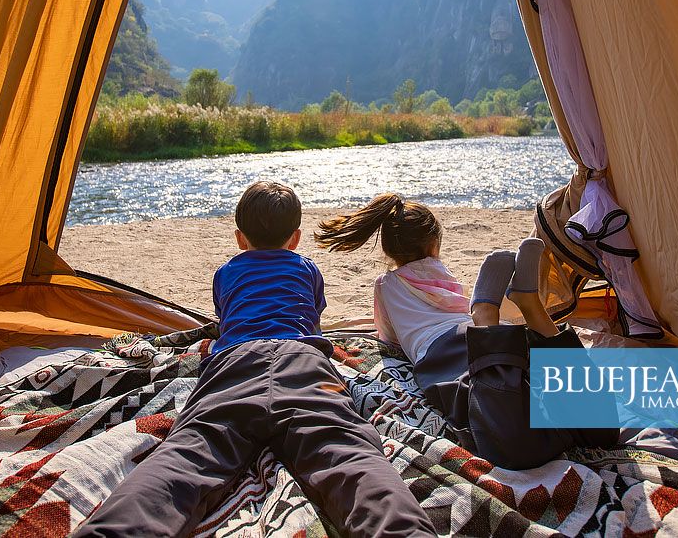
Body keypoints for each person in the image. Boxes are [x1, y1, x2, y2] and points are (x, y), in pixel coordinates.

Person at [75, 181, 436, 538]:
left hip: (235, 364)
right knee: (347, 452)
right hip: (302, 361)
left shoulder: (226, 272)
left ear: (239, 238)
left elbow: (226, 319)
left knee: (189, 452)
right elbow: (313, 323)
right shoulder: (308, 269)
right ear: (295, 238)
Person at [315, 193, 618, 470]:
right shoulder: (441, 272)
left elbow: (389, 338)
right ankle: (533, 312)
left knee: (512, 444)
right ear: (435, 246)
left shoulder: (385, 285)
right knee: (602, 428)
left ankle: (485, 312)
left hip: (448, 354)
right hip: (487, 337)